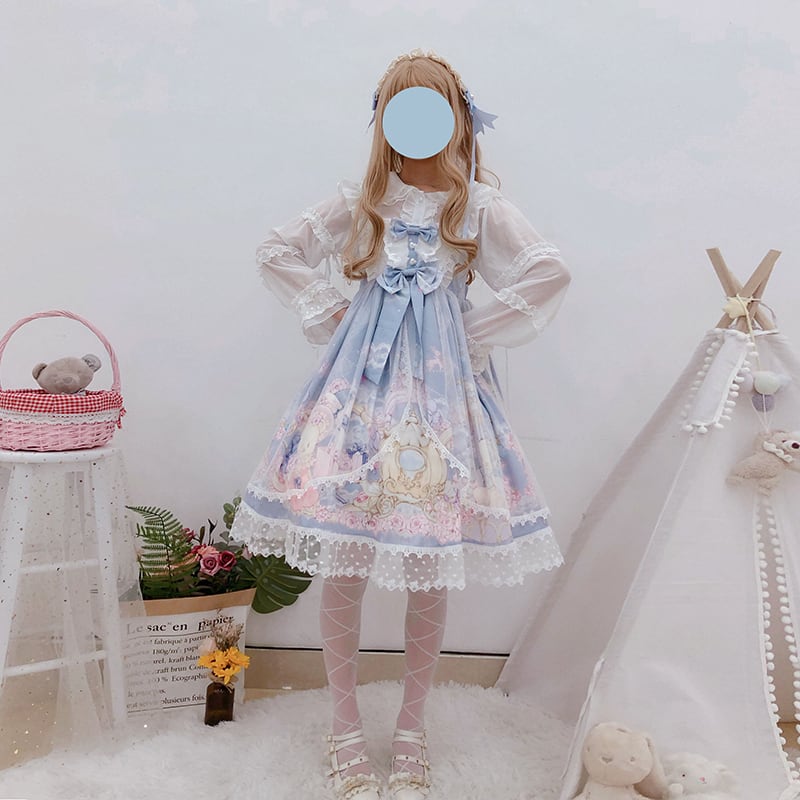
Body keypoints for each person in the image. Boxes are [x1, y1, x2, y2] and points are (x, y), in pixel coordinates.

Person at [231, 50, 571, 800]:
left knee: (428, 556)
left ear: (456, 118)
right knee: (346, 556)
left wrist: (468, 331)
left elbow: (548, 270)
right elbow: (277, 249)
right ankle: (344, 726)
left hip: (440, 406)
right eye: (401, 108)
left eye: (430, 108)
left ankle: (413, 727)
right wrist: (331, 310)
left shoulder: (477, 206)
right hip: (357, 397)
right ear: (384, 118)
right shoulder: (363, 200)